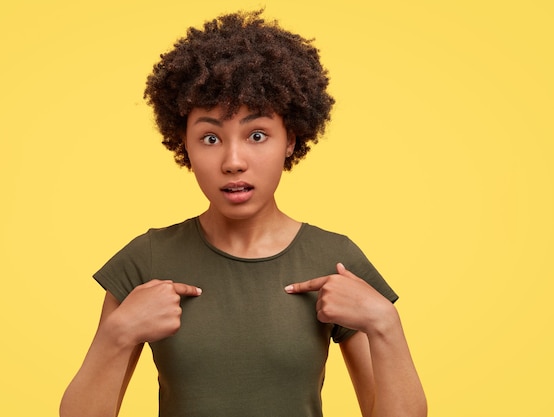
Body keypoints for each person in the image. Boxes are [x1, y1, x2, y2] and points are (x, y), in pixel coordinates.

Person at [60, 10, 426, 417]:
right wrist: (119, 334)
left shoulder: (334, 260)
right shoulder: (146, 259)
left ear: (291, 139)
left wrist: (384, 322)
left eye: (257, 135)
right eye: (210, 137)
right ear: (184, 144)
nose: (234, 161)